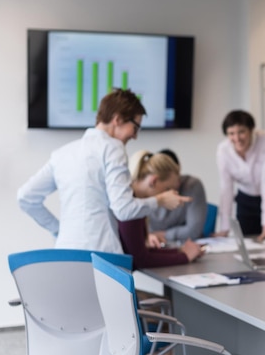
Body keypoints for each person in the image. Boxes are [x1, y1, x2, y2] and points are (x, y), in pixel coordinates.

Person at [17, 88, 189, 254]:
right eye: (135, 127)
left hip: (64, 255)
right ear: (118, 119)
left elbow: (25, 197)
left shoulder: (62, 154)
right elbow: (123, 209)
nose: (135, 136)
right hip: (102, 255)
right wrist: (159, 200)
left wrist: (58, 230)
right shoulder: (113, 148)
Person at [119, 150, 205, 270]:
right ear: (153, 181)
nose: (171, 195)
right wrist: (184, 257)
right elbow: (140, 260)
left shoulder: (138, 201)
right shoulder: (132, 205)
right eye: (167, 188)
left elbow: (143, 251)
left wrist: (179, 251)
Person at [215, 109, 265, 241]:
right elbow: (226, 189)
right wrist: (224, 228)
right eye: (231, 133)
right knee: (246, 241)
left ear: (251, 130)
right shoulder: (223, 151)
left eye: (241, 132)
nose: (237, 139)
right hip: (245, 198)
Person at [147, 148, 208, 243]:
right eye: (167, 188)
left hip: (184, 244)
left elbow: (193, 230)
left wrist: (163, 234)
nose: (177, 184)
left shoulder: (192, 185)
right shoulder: (145, 193)